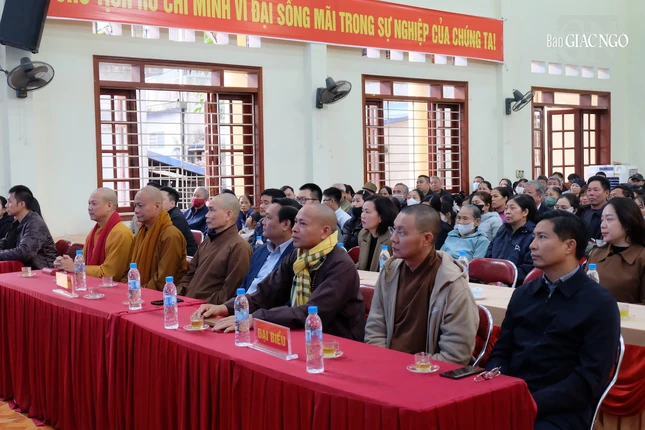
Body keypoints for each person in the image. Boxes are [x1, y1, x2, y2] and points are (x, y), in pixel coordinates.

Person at [486, 210, 620, 430]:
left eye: (542, 237)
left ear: (569, 246)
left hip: (560, 410)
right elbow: (502, 352)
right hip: (511, 397)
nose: (532, 245)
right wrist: (499, 385)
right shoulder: (524, 293)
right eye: (533, 237)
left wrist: (529, 402)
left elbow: (588, 379)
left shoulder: (599, 303)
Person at [196, 204, 365, 341]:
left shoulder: (340, 265)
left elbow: (311, 312)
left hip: (336, 342)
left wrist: (255, 318)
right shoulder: (298, 257)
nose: (295, 229)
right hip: (302, 334)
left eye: (303, 224)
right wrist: (225, 308)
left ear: (325, 232)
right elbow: (266, 293)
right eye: (295, 222)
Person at [365, 205, 478, 365]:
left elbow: (454, 355)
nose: (393, 239)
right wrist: (385, 362)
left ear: (427, 239)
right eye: (393, 230)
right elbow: (375, 328)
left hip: (429, 371)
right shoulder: (390, 272)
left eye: (402, 232)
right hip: (387, 364)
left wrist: (411, 369)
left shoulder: (452, 284)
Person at [177, 193, 252, 303]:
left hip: (206, 308)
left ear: (228, 215)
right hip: (186, 301)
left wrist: (199, 305)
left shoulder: (239, 247)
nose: (206, 215)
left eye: (211, 210)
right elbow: (189, 274)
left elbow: (228, 293)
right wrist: (179, 294)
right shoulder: (208, 240)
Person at [56, 188, 134, 280]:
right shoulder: (93, 233)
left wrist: (76, 268)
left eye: (94, 203)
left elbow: (110, 273)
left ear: (109, 205)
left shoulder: (121, 233)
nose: (89, 208)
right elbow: (83, 262)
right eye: (89, 203)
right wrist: (64, 263)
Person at [586, 198, 645, 304]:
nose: (602, 225)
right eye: (602, 220)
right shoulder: (596, 253)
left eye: (609, 219)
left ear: (627, 222)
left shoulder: (641, 258)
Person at [128, 186, 187, 291]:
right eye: (135, 206)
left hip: (162, 295)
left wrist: (138, 290)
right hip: (140, 290)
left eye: (140, 206)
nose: (136, 211)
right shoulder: (142, 232)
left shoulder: (171, 235)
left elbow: (163, 280)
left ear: (157, 206)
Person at [240, 200, 297, 294]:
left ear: (286, 224)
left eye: (268, 217)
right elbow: (244, 286)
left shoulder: (296, 256)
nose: (263, 222)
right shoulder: (261, 250)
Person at [0, 186, 57, 269]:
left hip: (44, 271)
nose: (6, 205)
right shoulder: (18, 222)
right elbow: (5, 242)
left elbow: (24, 252)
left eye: (9, 202)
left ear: (21, 204)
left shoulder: (35, 223)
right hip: (27, 270)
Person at [486, 195, 537, 284]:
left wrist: (501, 278)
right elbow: (488, 255)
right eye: (506, 208)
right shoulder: (503, 229)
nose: (507, 212)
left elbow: (529, 268)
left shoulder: (533, 234)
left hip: (517, 283)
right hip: (492, 280)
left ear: (525, 212)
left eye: (512, 208)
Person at [357, 196, 397, 272]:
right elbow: (361, 265)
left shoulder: (393, 238)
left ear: (381, 217)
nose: (362, 216)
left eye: (367, 212)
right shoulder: (363, 234)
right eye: (362, 211)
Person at [160, 186, 198, 256]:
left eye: (161, 200)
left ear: (172, 203)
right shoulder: (163, 216)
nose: (157, 203)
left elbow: (170, 244)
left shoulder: (177, 218)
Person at [579, 175, 610, 244]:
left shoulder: (612, 213)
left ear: (607, 193)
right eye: (589, 190)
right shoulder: (583, 211)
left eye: (596, 190)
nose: (591, 193)